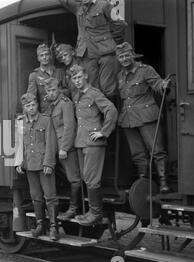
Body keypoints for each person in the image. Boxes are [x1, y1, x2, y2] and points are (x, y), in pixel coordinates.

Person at [115, 42, 171, 193]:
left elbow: (157, 82)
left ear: (132, 55)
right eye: (121, 56)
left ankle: (164, 183)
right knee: (138, 154)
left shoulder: (145, 70)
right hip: (128, 119)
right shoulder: (120, 75)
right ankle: (144, 185)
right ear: (118, 59)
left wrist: (163, 86)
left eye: (127, 55)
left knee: (156, 150)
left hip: (147, 116)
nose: (125, 58)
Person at [70, 64, 118, 226]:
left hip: (93, 143)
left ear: (85, 76)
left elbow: (111, 110)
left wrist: (104, 132)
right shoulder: (77, 96)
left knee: (92, 179)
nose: (77, 81)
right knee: (86, 177)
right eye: (73, 78)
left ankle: (96, 214)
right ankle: (92, 211)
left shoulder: (94, 94)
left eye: (78, 77)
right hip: (81, 142)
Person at [58, 0, 126, 100]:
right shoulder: (78, 7)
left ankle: (111, 113)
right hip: (87, 55)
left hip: (106, 54)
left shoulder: (105, 5)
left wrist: (111, 41)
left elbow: (120, 24)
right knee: (91, 88)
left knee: (108, 88)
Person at [15, 93, 59, 240]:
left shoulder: (46, 121)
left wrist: (49, 163)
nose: (31, 108)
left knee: (50, 197)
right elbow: (20, 144)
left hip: (44, 164)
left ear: (37, 105)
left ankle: (54, 228)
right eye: (28, 106)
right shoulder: (21, 123)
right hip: (30, 164)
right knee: (36, 197)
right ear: (24, 108)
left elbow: (51, 143)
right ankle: (40, 225)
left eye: (33, 104)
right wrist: (19, 162)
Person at [43, 78, 83, 221]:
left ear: (58, 89)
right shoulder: (52, 105)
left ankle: (74, 208)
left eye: (54, 90)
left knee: (74, 178)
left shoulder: (65, 104)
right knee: (65, 177)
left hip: (66, 148)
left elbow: (70, 126)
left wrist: (65, 148)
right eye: (49, 91)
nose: (52, 93)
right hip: (57, 148)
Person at [27, 43, 59, 114]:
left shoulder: (58, 72)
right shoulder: (34, 75)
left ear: (50, 56)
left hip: (59, 111)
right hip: (45, 112)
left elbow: (67, 90)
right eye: (41, 55)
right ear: (38, 58)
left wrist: (57, 93)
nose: (44, 57)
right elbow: (31, 97)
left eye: (46, 54)